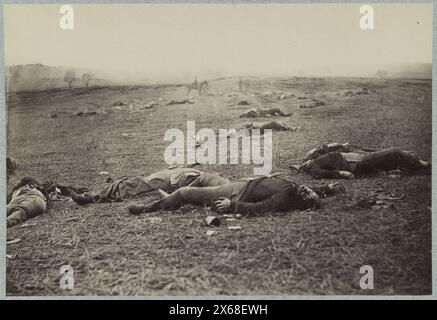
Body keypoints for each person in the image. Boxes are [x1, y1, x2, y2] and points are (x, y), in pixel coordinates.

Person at [128, 176, 345, 216]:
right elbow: (314, 193)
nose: (307, 189)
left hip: (237, 192)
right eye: (310, 190)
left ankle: (148, 208)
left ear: (302, 202)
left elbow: (261, 208)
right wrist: (329, 188)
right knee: (205, 177)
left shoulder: (286, 197)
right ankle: (173, 198)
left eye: (308, 194)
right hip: (242, 183)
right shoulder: (297, 189)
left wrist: (231, 206)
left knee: (185, 192)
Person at [71, 166, 230, 205]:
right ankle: (96, 196)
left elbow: (196, 189)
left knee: (134, 185)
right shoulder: (226, 187)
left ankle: (95, 197)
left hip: (174, 179)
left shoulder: (225, 190)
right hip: (175, 176)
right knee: (134, 184)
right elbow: (201, 179)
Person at [291, 143, 431, 179]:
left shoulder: (315, 158)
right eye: (301, 166)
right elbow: (319, 174)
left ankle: (416, 163)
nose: (304, 163)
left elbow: (325, 148)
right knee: (393, 152)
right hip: (356, 162)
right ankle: (425, 165)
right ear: (302, 169)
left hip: (355, 156)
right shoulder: (313, 168)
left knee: (391, 154)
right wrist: (341, 174)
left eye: (302, 162)